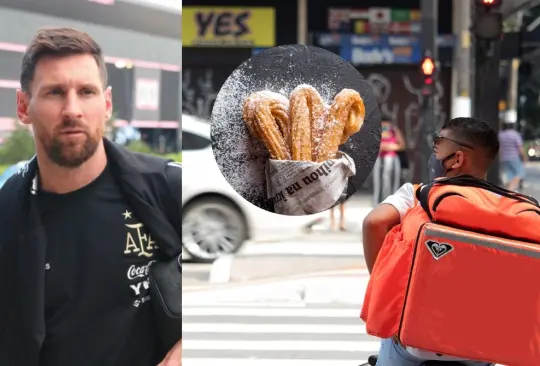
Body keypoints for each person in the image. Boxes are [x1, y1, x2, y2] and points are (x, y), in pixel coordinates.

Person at [0, 28, 181, 366]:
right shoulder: (7, 212)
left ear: (107, 103)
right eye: (54, 92)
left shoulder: (166, 189)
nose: (73, 109)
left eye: (86, 91)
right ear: (24, 107)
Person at [362, 117, 498, 366]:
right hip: (478, 347)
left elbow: (373, 223)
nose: (432, 151)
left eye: (438, 145)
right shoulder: (504, 209)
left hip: (416, 344)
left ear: (456, 159)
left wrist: (383, 291)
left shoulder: (416, 194)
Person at [372, 117, 406, 207]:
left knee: (392, 183)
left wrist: (390, 147)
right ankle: (377, 205)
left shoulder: (394, 131)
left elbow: (402, 145)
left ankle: (392, 205)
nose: (385, 127)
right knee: (378, 184)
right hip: (379, 161)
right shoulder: (377, 132)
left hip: (392, 161)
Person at [498, 121, 527, 191]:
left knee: (510, 175)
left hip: (504, 158)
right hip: (514, 157)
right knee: (519, 173)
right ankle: (510, 190)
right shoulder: (515, 134)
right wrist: (524, 157)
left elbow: (499, 147)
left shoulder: (500, 135)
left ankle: (511, 190)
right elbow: (520, 147)